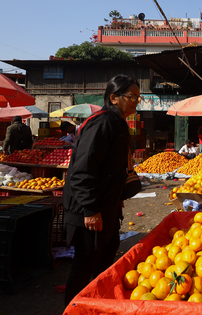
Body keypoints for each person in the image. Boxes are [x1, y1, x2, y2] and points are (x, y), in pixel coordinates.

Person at [62, 74, 140, 306]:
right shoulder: (104, 122)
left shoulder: (117, 122)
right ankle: (72, 309)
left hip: (106, 206)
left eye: (138, 97)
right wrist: (90, 209)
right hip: (89, 210)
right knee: (85, 265)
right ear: (114, 98)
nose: (136, 101)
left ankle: (94, 306)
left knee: (105, 259)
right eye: (131, 97)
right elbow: (82, 169)